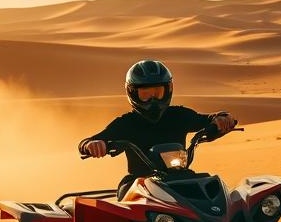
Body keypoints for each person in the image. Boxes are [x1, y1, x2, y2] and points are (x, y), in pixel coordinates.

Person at [79, 59, 237, 199]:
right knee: (125, 201)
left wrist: (222, 118)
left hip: (179, 177)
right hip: (139, 184)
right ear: (133, 93)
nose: (153, 100)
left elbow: (208, 118)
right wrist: (92, 145)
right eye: (145, 94)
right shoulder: (126, 123)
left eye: (158, 92)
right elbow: (87, 142)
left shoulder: (178, 115)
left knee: (210, 191)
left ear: (167, 90)